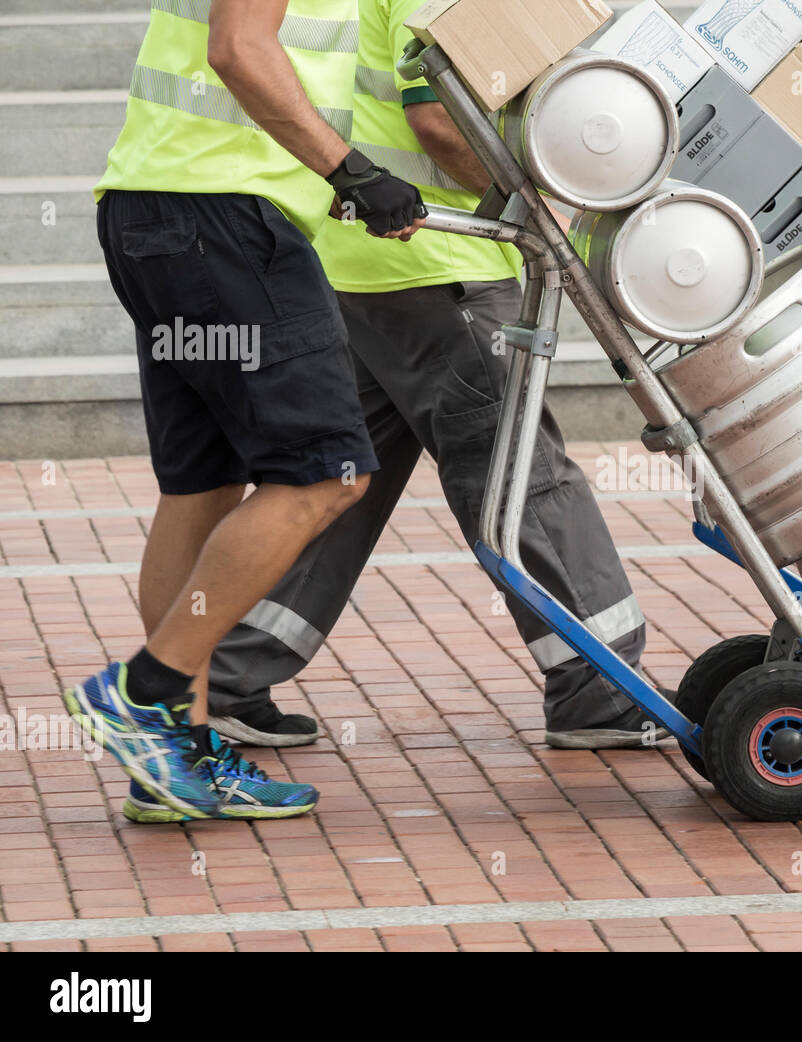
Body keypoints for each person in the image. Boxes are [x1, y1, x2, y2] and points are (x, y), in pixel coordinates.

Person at [169, 0, 666, 803]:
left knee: (335, 488)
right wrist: (541, 197)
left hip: (368, 267)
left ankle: (230, 669)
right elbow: (437, 120)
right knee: (522, 474)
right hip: (442, 265)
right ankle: (599, 687)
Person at [66, 0, 428, 823]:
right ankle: (142, 695)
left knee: (203, 486)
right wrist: (352, 171)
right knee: (328, 475)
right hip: (220, 223)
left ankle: (174, 758)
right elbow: (239, 47)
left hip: (161, 210)